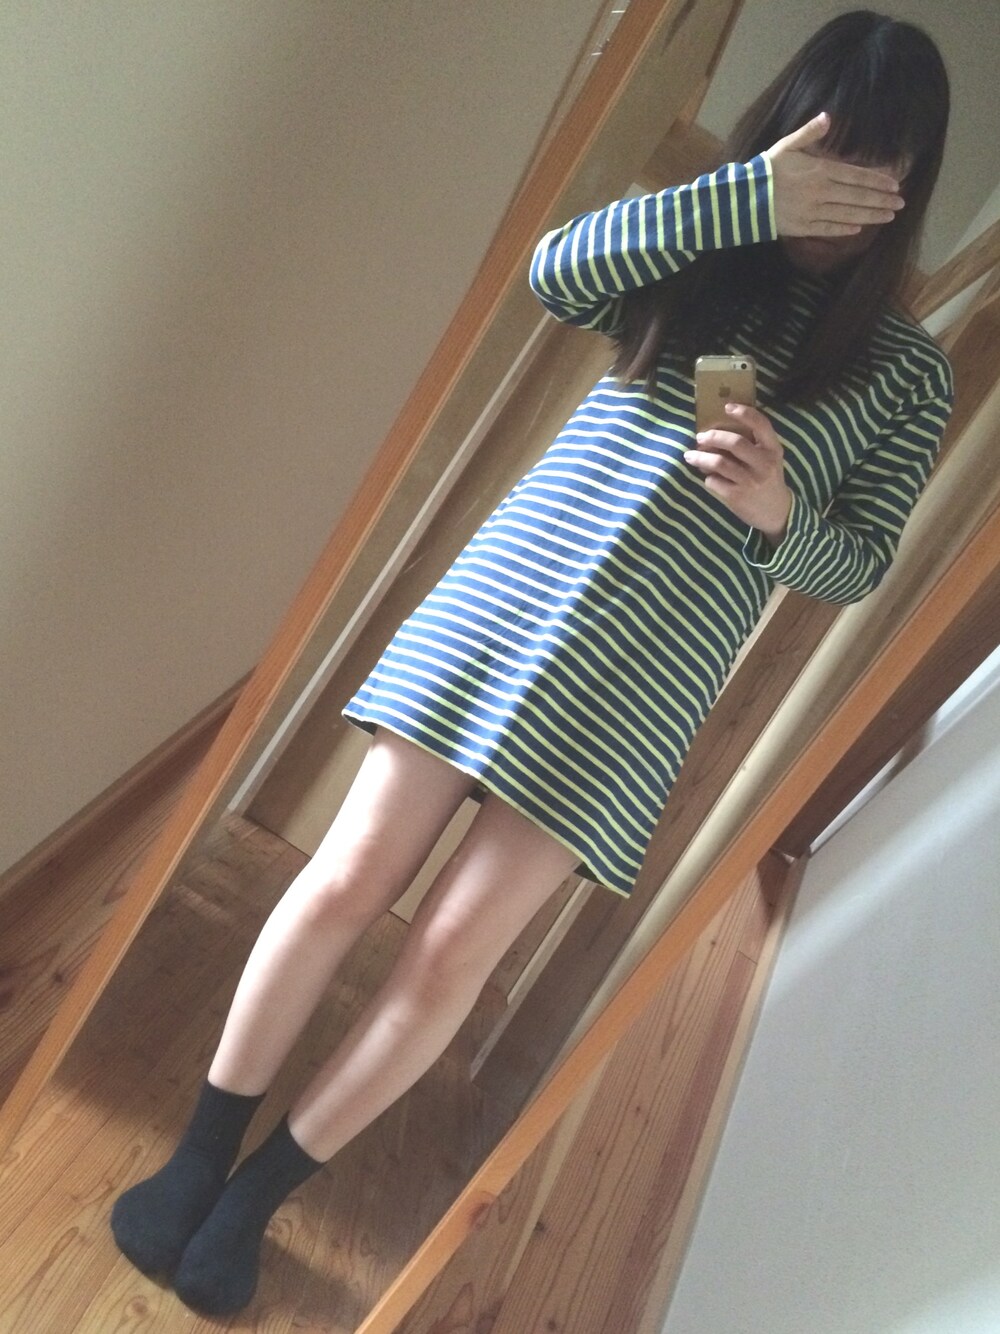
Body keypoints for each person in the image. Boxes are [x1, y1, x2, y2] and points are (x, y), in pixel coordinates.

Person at [110, 10, 952, 1315]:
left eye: (872, 165)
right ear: (785, 131)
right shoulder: (695, 245)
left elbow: (859, 564)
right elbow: (556, 272)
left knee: (450, 955)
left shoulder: (906, 375)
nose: (840, 190)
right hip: (502, 608)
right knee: (347, 880)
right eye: (822, 148)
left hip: (642, 691)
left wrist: (783, 511)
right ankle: (195, 1159)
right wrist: (745, 198)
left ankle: (257, 1197)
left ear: (911, 181)